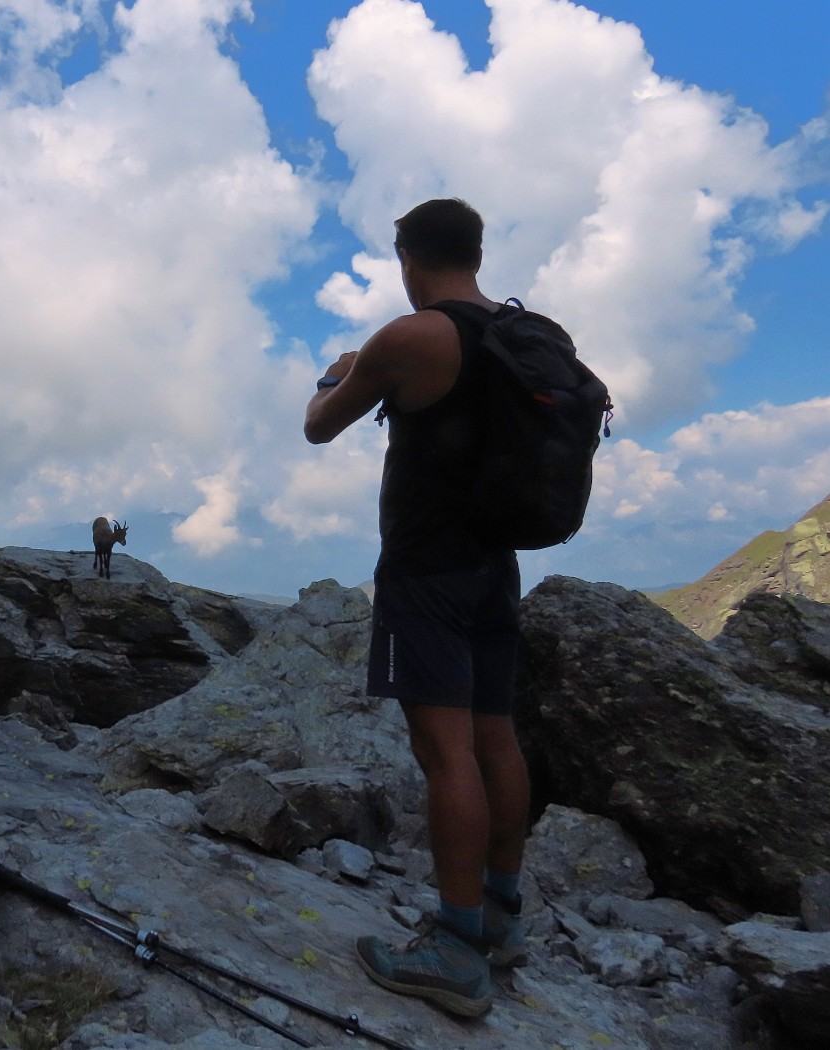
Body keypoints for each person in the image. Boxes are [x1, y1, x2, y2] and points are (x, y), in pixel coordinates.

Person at [303, 198, 530, 1019]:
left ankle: (456, 948)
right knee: (495, 735)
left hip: (425, 570)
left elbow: (319, 427)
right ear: (474, 249)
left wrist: (338, 373)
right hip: (496, 566)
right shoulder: (523, 334)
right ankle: (504, 917)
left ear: (408, 256)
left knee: (447, 756)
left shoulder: (411, 339)